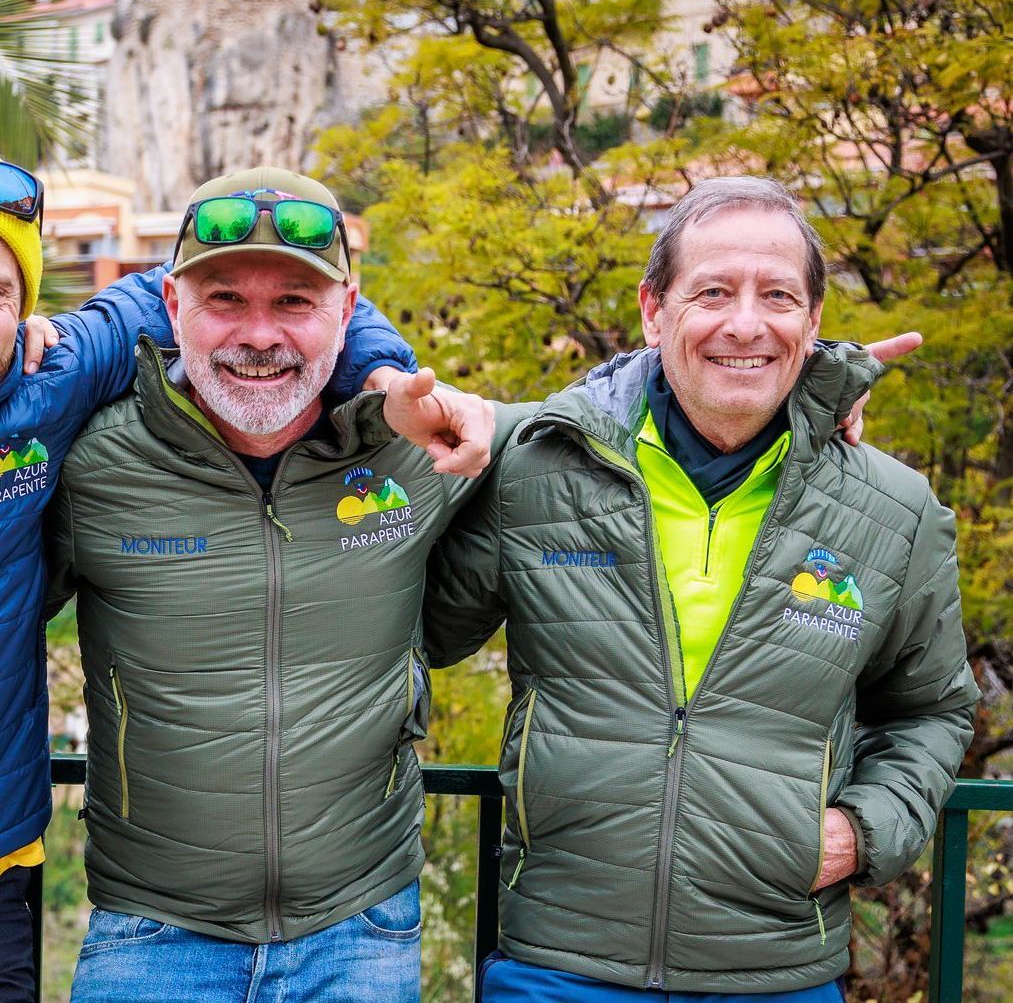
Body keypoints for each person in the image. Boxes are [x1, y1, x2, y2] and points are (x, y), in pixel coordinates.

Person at [425, 176, 979, 1001]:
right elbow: (420, 632)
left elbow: (933, 708)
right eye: (712, 291)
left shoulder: (893, 512)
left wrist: (862, 832)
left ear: (813, 322)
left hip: (776, 970)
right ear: (654, 311)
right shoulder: (537, 474)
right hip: (558, 963)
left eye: (778, 296)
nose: (745, 323)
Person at [0, 156, 471, 1003]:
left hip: (363, 928)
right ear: (173, 307)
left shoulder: (431, 445)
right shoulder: (94, 460)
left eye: (294, 302)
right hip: (150, 932)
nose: (260, 335)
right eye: (225, 301)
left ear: (347, 312)